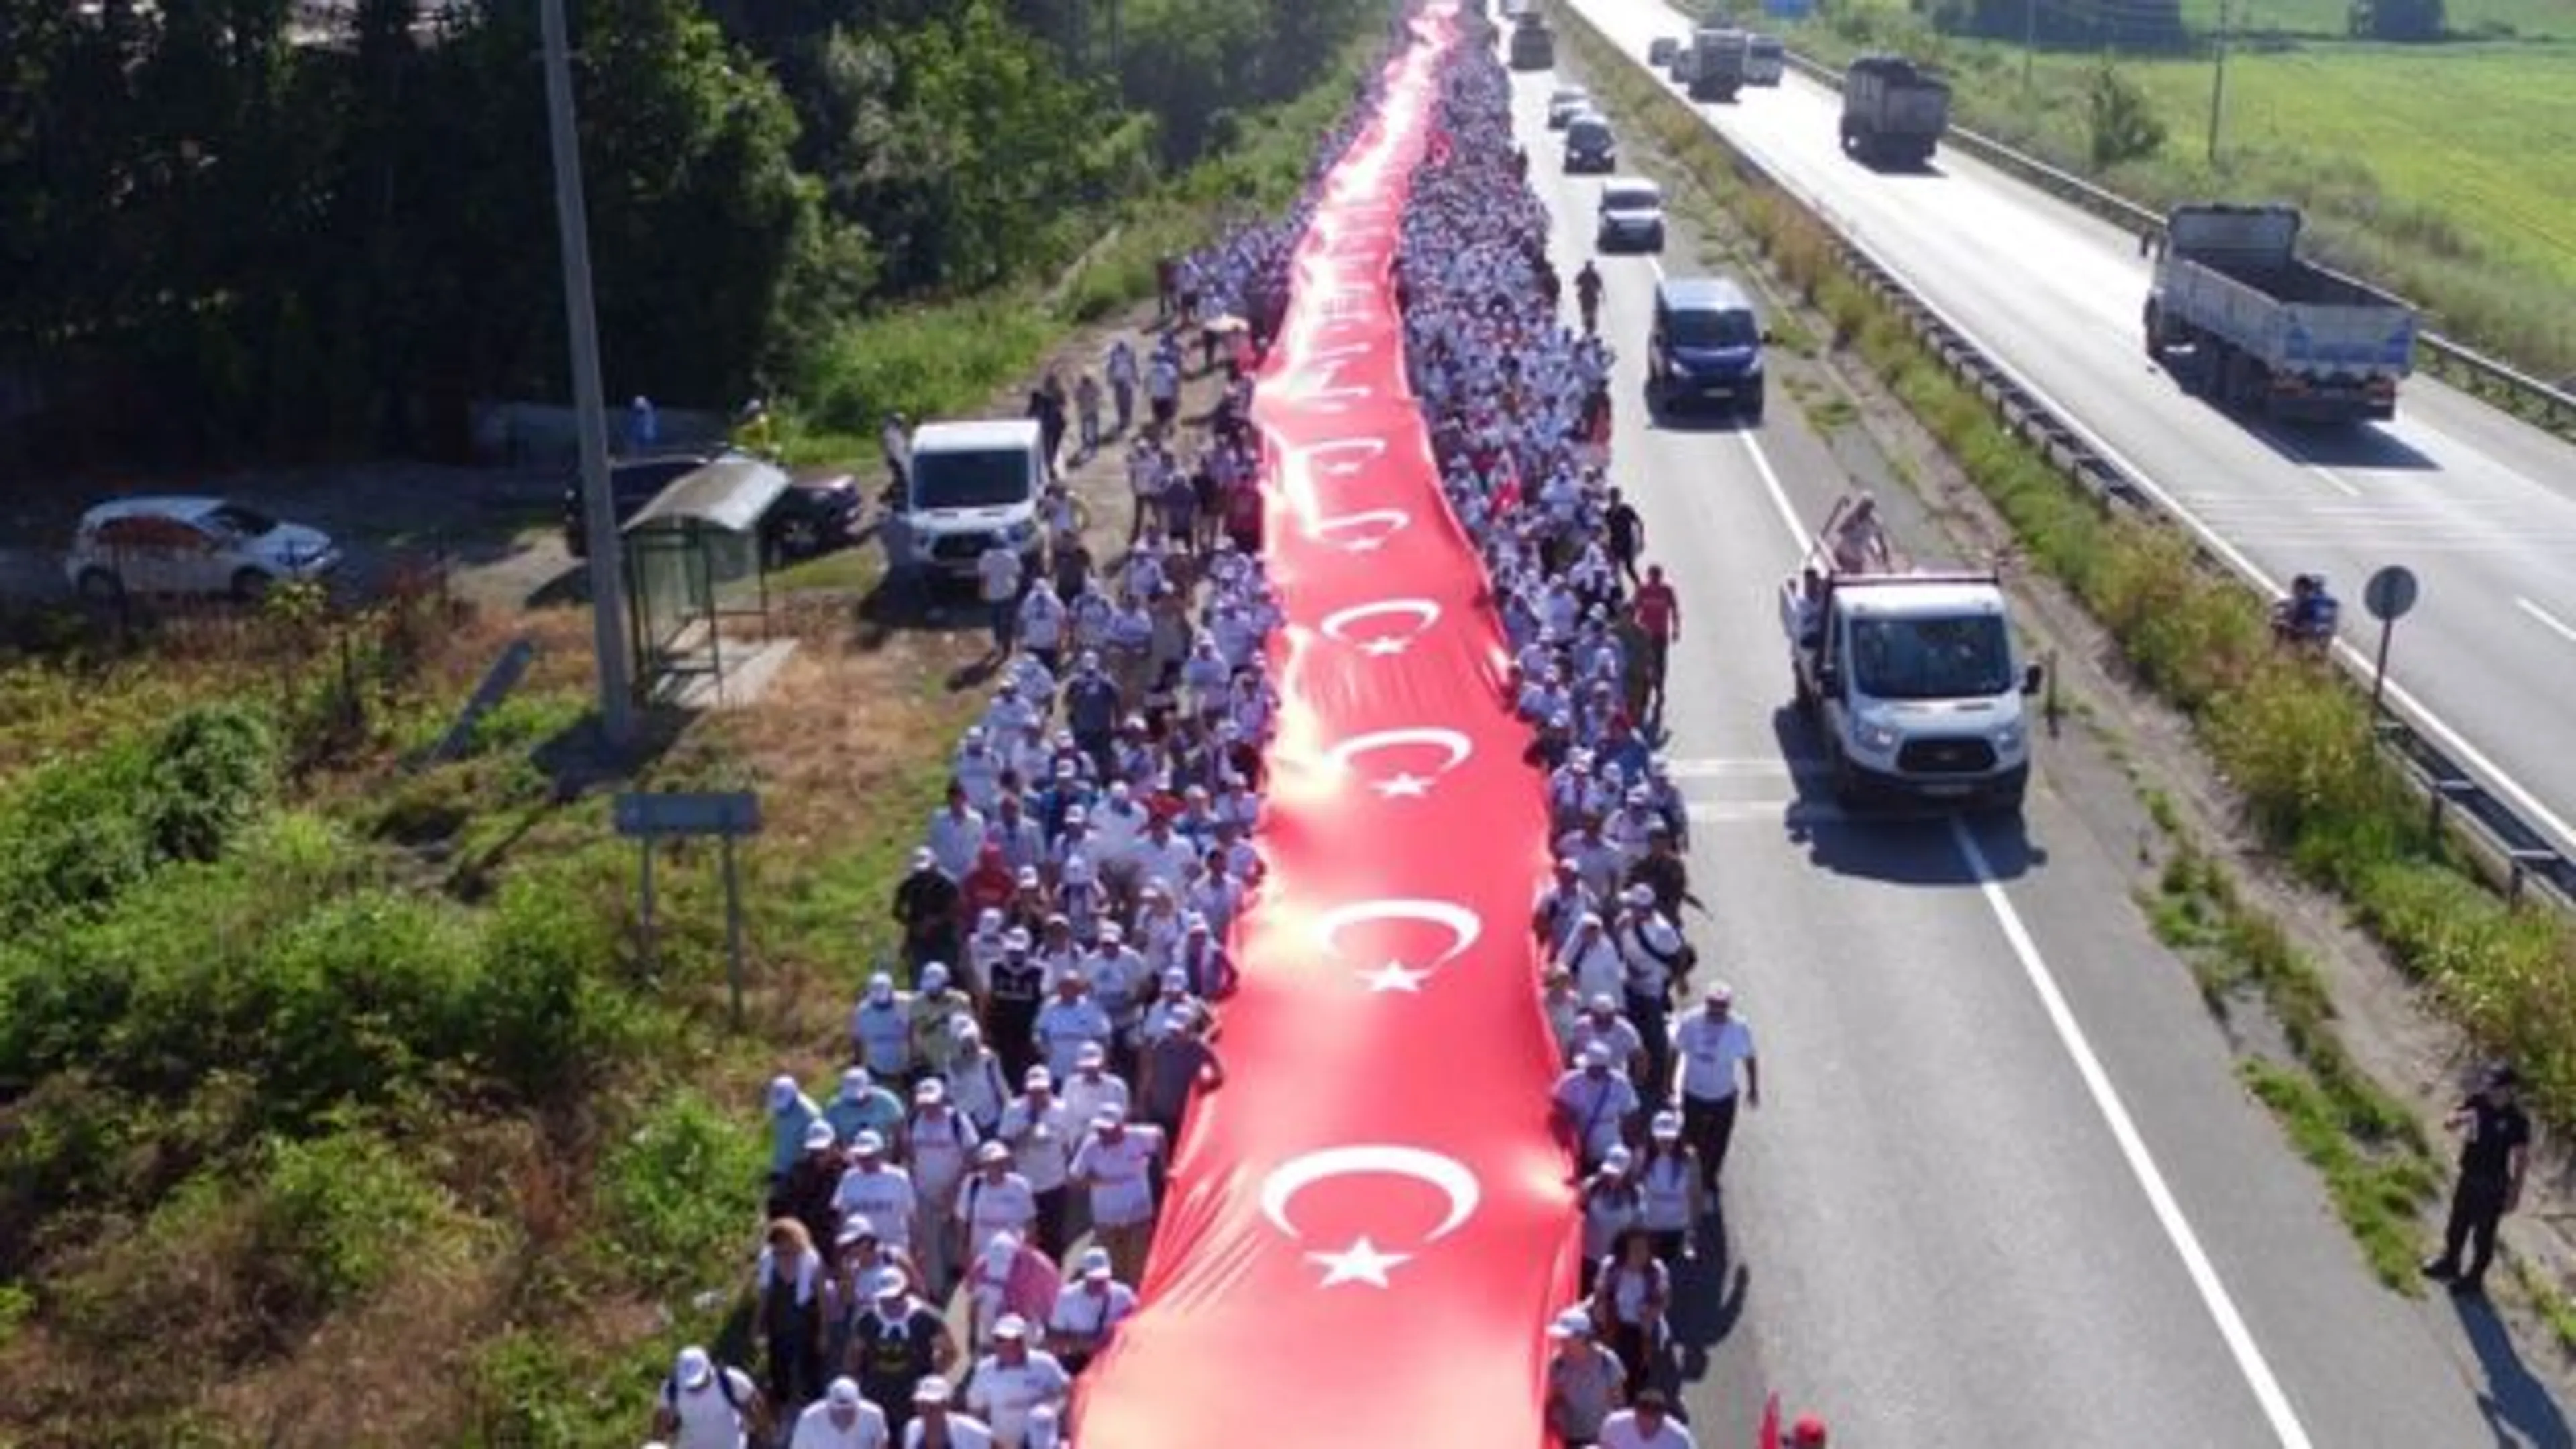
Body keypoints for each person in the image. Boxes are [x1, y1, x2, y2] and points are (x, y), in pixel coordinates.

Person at [2422, 1062, 2532, 1295]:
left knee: (2483, 1236)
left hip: (2493, 1185)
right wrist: (2453, 1119)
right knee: (2457, 1224)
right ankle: (2450, 1262)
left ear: (2510, 1090)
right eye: (2489, 1084)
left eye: (2496, 1087)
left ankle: (2474, 1279)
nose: (2490, 1090)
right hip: (2469, 1174)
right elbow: (2456, 1114)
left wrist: (2515, 1193)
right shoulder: (2479, 1102)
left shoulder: (2517, 1120)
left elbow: (2521, 1159)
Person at [848, 1268, 959, 1441]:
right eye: (885, 1298)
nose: (890, 1302)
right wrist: (857, 1381)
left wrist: (931, 1376)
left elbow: (950, 1352)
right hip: (876, 1397)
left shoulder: (927, 1318)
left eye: (895, 1297)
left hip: (914, 1401)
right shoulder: (866, 1320)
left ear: (905, 1291)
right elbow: (853, 1355)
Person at [1671, 983, 1758, 1194]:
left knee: (1719, 1141)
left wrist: (1753, 1087)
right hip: (1694, 1092)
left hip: (1723, 1095)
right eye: (1713, 1005)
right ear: (1706, 1003)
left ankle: (1710, 1178)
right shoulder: (1691, 1021)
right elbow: (1676, 1051)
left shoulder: (1739, 1027)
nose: (1717, 1010)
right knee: (1692, 1138)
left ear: (1729, 1006)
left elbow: (1749, 1058)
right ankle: (1690, 1178)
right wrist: (1669, 1083)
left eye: (1722, 1006)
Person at [962, 1313, 1071, 1448]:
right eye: (1000, 1339)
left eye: (1013, 1340)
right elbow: (976, 1411)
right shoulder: (985, 1370)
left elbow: (1066, 1391)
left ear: (1024, 1340)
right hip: (1004, 1444)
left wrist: (1050, 1409)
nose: (1006, 1344)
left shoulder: (1044, 1363)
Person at [757, 1218, 830, 1412]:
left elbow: (823, 1299)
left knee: (810, 1367)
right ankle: (781, 1405)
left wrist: (824, 1331)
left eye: (785, 1246)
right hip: (778, 1322)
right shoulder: (768, 1260)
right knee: (778, 1367)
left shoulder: (812, 1260)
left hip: (806, 1323)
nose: (781, 1252)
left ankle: (816, 1406)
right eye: (777, 1248)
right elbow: (765, 1294)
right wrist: (758, 1323)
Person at [1591, 1226, 1669, 1399]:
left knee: (1639, 1367)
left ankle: (1634, 1395)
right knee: (1613, 1364)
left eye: (1645, 1249)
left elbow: (1664, 1300)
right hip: (1615, 1324)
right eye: (1635, 1249)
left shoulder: (1657, 1270)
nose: (1641, 1254)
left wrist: (1652, 1311)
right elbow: (1600, 1292)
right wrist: (1601, 1307)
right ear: (1624, 1250)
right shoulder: (1610, 1266)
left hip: (1643, 1329)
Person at [1045, 1246, 1138, 1375]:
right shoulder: (1067, 1297)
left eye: (1103, 1279)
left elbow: (1136, 1324)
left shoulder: (1124, 1295)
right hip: (1079, 1358)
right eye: (1094, 1279)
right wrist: (1083, 1343)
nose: (1099, 1283)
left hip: (1112, 1356)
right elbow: (1055, 1337)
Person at [655, 1345, 767, 1449]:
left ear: (708, 1369)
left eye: (699, 1383)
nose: (695, 1389)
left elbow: (756, 1403)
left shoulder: (731, 1380)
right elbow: (662, 1421)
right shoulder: (670, 1389)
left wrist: (762, 1431)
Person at [1544, 1309, 1626, 1448]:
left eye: (1566, 1338)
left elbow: (1619, 1400)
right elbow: (1556, 1398)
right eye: (1561, 1338)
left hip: (1602, 1438)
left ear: (1582, 1337)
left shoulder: (1607, 1361)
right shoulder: (1557, 1364)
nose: (1561, 1342)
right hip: (1572, 1437)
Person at [791, 1377, 891, 1449]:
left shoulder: (875, 1416)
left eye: (848, 1411)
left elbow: (881, 1444)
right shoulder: (809, 1418)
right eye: (838, 1411)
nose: (843, 1416)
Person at [1597, 1389, 1694, 1449]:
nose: (1647, 1429)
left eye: (1654, 1424)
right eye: (1642, 1423)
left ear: (1663, 1418)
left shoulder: (1679, 1440)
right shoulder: (1614, 1426)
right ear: (1635, 1413)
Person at [1828, 492, 1890, 574]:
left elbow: (1841, 531)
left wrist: (1880, 555)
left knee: (1843, 561)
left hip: (1849, 553)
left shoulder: (1858, 517)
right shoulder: (1868, 520)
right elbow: (1881, 542)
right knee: (1853, 568)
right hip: (1851, 554)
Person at [1575, 258, 1604, 335]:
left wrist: (1596, 289)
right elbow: (1577, 282)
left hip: (1591, 295)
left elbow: (1600, 285)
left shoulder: (1594, 274)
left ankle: (1591, 324)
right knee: (1587, 311)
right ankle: (1587, 324)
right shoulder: (1584, 274)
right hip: (1586, 295)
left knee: (1591, 311)